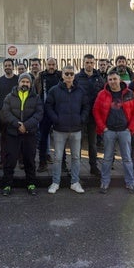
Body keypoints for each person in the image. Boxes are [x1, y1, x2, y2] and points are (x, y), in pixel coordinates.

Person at [93, 70, 134, 194]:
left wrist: (130, 128)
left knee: (127, 159)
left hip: (124, 131)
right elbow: (96, 111)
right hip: (109, 131)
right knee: (107, 158)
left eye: (115, 79)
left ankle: (130, 183)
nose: (113, 82)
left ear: (120, 80)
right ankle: (104, 183)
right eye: (110, 79)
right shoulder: (102, 94)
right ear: (107, 81)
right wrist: (103, 127)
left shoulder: (129, 93)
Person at [45, 65, 89, 194]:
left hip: (76, 129)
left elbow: (86, 106)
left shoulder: (80, 91)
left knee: (76, 157)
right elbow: (48, 106)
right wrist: (55, 119)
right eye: (66, 74)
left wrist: (81, 119)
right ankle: (55, 182)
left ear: (74, 76)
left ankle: (75, 182)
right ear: (62, 75)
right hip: (59, 129)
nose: (69, 76)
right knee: (58, 157)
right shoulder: (54, 90)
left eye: (71, 74)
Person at [0, 73, 43, 196]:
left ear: (30, 84)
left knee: (29, 160)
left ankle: (31, 184)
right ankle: (7, 185)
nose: (25, 84)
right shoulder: (9, 97)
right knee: (10, 160)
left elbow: (39, 114)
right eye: (23, 81)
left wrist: (26, 125)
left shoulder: (36, 97)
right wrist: (18, 124)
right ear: (18, 83)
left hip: (30, 134)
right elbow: (5, 112)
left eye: (27, 82)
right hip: (13, 133)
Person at [75, 54, 105, 176]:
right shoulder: (77, 78)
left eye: (91, 62)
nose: (89, 65)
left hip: (94, 116)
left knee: (92, 143)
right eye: (87, 62)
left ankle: (93, 167)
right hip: (81, 115)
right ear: (83, 63)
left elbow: (104, 94)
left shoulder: (99, 78)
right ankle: (76, 167)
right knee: (78, 143)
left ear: (94, 63)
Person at [35, 57, 62, 172]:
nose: (51, 67)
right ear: (45, 65)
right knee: (43, 138)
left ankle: (62, 163)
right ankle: (42, 163)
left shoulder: (61, 75)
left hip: (58, 112)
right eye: (49, 64)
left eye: (53, 64)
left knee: (60, 139)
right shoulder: (40, 76)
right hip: (44, 112)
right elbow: (35, 92)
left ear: (56, 65)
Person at [0, 58, 19, 169]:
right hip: (3, 116)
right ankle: (3, 161)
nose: (7, 67)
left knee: (19, 139)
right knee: (4, 140)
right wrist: (0, 112)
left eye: (9, 65)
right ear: (4, 67)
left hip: (17, 114)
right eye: (6, 65)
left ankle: (20, 161)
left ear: (13, 67)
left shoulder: (18, 80)